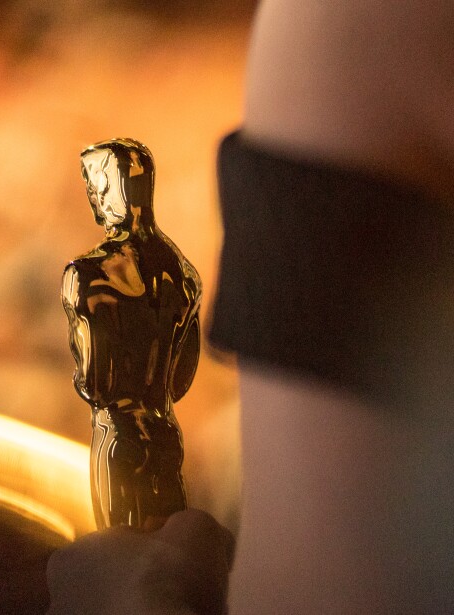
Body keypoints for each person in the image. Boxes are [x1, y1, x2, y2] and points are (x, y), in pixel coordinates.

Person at [47, 1, 454, 613]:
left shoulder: (355, 27)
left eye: (98, 185)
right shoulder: (174, 271)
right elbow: (183, 358)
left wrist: (140, 602)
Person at [62, 138, 201, 529]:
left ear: (113, 185)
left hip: (117, 433)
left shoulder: (86, 276)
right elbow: (182, 378)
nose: (92, 195)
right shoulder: (183, 273)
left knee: (119, 552)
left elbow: (96, 382)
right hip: (165, 431)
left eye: (95, 182)